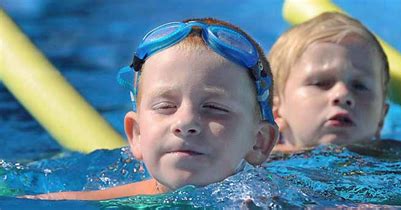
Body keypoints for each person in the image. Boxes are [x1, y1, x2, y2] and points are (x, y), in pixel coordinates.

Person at [24, 18, 279, 200]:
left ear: (259, 142)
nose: (186, 122)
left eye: (213, 107)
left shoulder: (287, 199)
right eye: (166, 106)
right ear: (136, 134)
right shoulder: (99, 201)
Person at [268, 12, 401, 159]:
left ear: (381, 117)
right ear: (276, 113)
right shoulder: (260, 163)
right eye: (321, 83)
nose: (342, 94)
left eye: (360, 86)